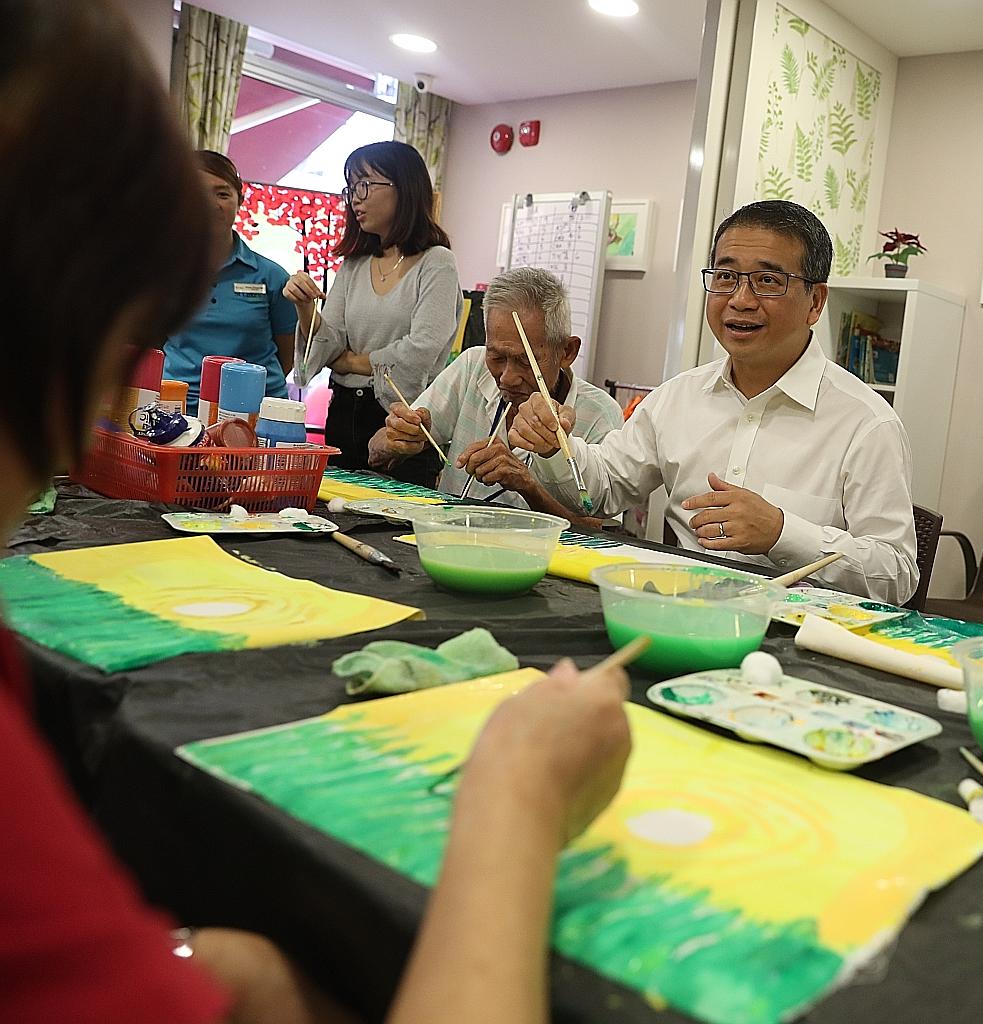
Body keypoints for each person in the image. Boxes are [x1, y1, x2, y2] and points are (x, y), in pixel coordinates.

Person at [0, 4, 632, 1021]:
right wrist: (515, 791)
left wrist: (538, 474)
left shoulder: (586, 409)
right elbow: (373, 389)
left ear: (563, 353)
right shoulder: (458, 361)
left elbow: (605, 511)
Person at [506, 201, 919, 604]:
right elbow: (601, 490)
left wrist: (781, 532)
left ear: (815, 302)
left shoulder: (867, 423)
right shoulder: (678, 396)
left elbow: (896, 575)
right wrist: (554, 445)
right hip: (679, 613)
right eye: (725, 277)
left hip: (798, 644)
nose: (740, 299)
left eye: (768, 281)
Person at [368, 267, 623, 516]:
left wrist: (528, 486)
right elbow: (376, 451)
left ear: (567, 351)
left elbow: (595, 531)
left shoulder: (599, 413)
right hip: (450, 540)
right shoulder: (472, 367)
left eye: (526, 362)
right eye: (496, 356)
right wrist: (397, 439)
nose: (508, 378)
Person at [283, 141, 460, 488]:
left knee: (392, 530)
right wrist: (305, 308)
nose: (355, 199)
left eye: (364, 185)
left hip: (398, 422)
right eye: (350, 188)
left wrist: (349, 363)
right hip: (343, 413)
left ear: (404, 187)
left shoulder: (436, 262)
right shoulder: (354, 264)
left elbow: (422, 349)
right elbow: (328, 341)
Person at [163, 151, 298, 408]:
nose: (213, 204)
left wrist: (248, 385)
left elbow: (287, 355)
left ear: (240, 201)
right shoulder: (162, 273)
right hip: (179, 410)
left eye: (223, 194)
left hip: (256, 411)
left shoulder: (272, 276)